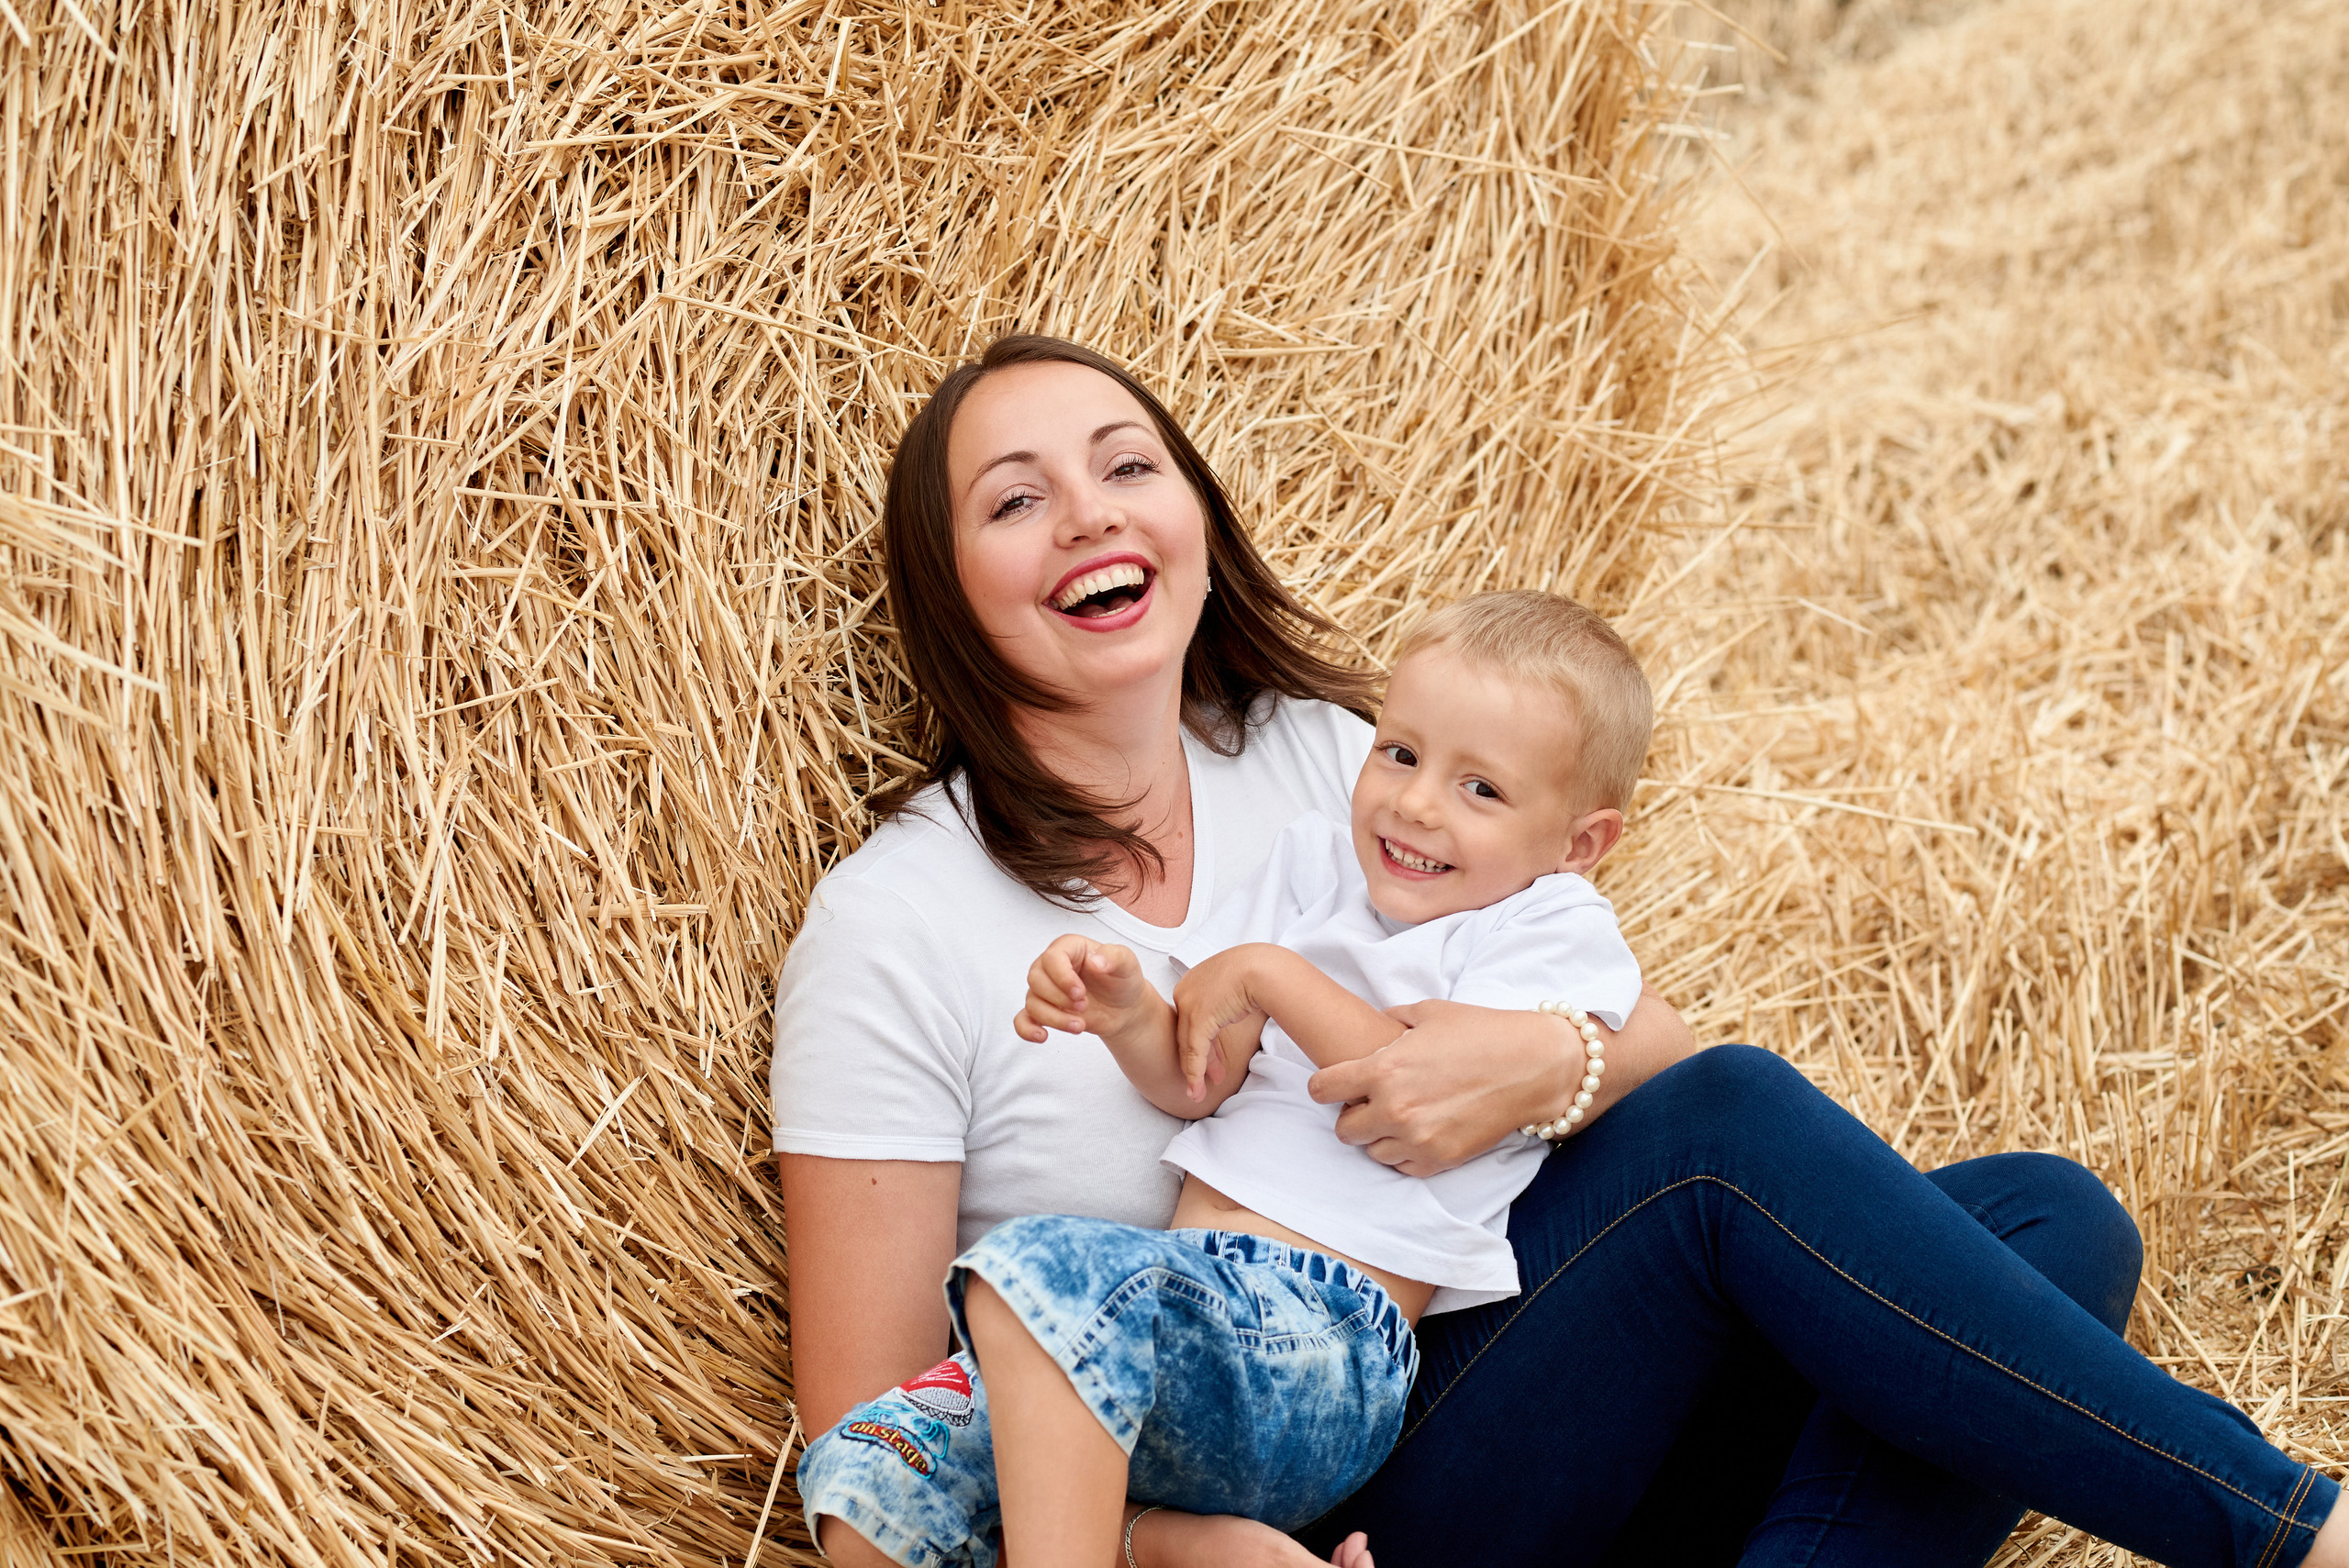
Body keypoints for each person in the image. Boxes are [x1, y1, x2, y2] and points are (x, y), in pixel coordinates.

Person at [771, 333, 2348, 1567]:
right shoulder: (900, 926)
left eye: (1128, 464)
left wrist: (1551, 1058)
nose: (1093, 512)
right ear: (947, 585)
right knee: (1744, 1140)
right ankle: (2278, 1522)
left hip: (1509, 1370)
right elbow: (877, 1452)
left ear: (1195, 513)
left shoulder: (1344, 757)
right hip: (1321, 1498)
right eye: (1016, 497)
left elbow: (1652, 1053)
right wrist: (1164, 1541)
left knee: (2045, 1219)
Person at [796, 591, 1654, 1566]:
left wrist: (1269, 972)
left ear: (1580, 843)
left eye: (1481, 789)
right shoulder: (1314, 864)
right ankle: (1162, 1542)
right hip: (1175, 1331)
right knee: (867, 1473)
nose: (1415, 803)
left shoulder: (1545, 926)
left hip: (1323, 1345)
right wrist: (1124, 1016)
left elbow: (1398, 1085)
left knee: (1033, 1278)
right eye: (1400, 752)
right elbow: (1199, 1078)